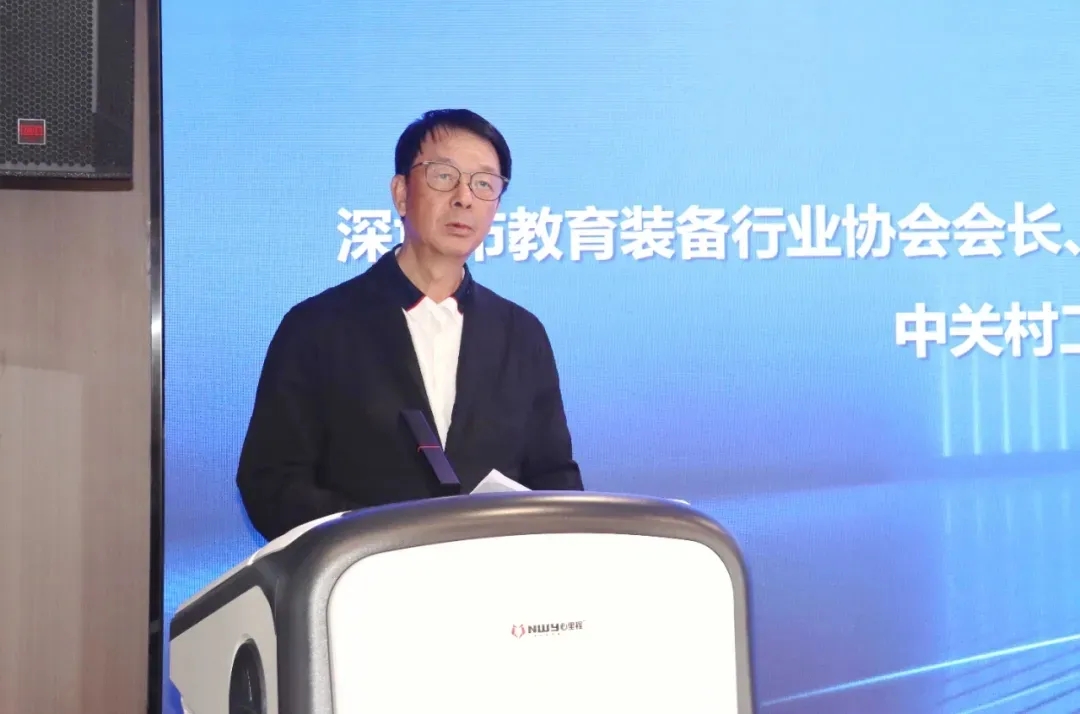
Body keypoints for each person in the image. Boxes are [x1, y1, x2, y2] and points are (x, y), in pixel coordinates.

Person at [235, 109, 584, 541]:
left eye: (484, 184)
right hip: (362, 575)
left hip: (494, 576)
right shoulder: (317, 327)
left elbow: (554, 477)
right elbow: (271, 482)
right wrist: (381, 539)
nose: (464, 198)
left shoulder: (521, 334)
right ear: (401, 193)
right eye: (444, 176)